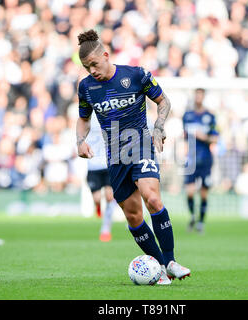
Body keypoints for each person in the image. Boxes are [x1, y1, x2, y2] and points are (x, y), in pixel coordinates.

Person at [75, 30, 190, 285]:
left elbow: (163, 102)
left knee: (152, 197)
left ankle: (170, 260)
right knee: (133, 216)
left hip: (140, 146)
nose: (91, 70)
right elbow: (83, 118)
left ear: (106, 55)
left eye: (94, 64)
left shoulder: (135, 75)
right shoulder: (86, 87)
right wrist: (80, 142)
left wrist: (159, 127)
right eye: (86, 67)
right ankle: (160, 268)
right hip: (114, 157)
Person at [182, 88, 218, 233]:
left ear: (203, 97)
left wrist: (203, 136)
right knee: (190, 192)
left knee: (203, 193)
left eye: (200, 95)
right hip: (191, 159)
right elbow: (184, 137)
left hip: (205, 159)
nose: (198, 98)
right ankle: (192, 216)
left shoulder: (210, 116)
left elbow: (215, 138)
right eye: (196, 95)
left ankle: (201, 222)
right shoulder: (187, 116)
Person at [86, 112, 117, 242]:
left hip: (108, 164)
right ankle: (97, 206)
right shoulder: (88, 117)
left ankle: (106, 228)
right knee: (97, 198)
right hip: (93, 165)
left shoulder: (110, 115)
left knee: (110, 196)